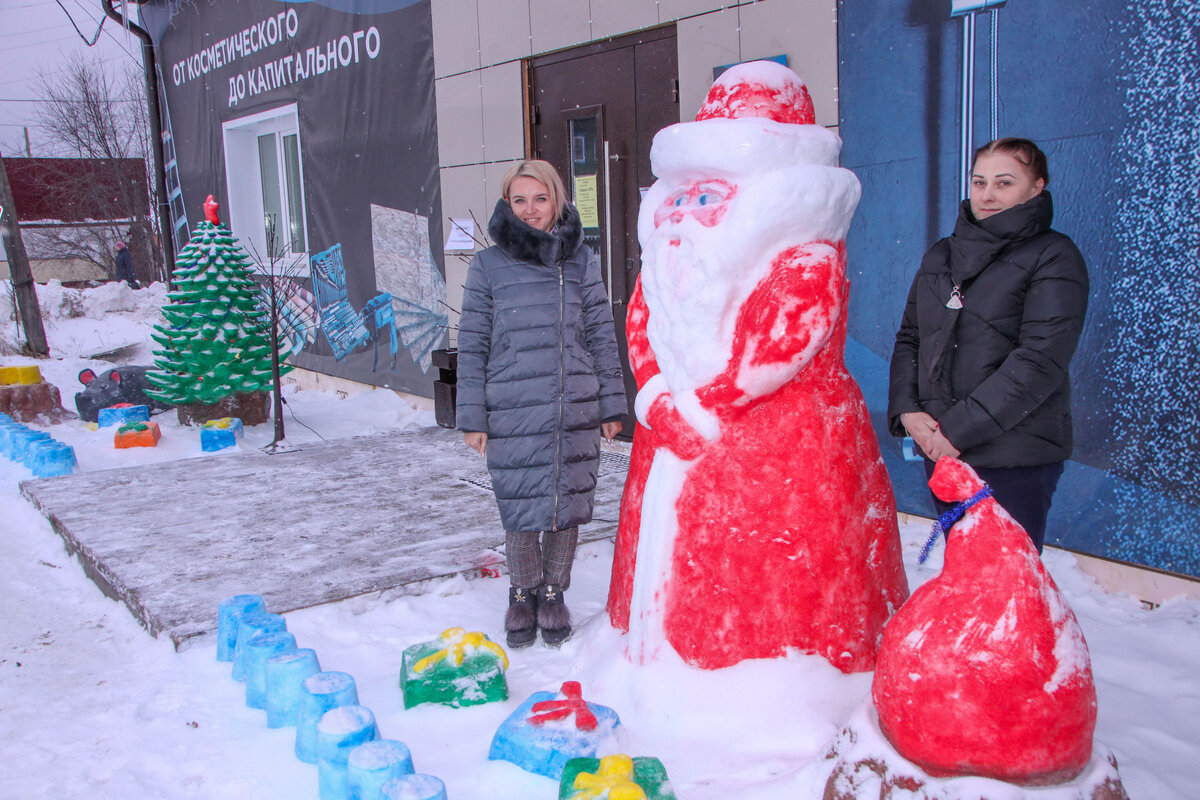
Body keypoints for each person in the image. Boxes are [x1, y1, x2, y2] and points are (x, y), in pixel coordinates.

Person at [888, 137, 1089, 552]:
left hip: (1013, 457)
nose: (987, 194)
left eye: (1004, 183)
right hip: (942, 450)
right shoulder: (941, 256)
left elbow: (1039, 361)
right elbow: (911, 337)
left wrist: (957, 431)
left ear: (1036, 187)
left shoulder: (1054, 256)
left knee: (1007, 587)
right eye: (979, 182)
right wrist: (908, 411)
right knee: (964, 579)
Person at [456, 159, 625, 649]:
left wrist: (612, 403)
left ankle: (553, 592)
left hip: (573, 403)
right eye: (519, 200)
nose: (530, 211)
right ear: (507, 205)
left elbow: (599, 333)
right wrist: (473, 416)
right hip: (511, 405)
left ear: (557, 201)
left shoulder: (580, 261)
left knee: (565, 505)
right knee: (521, 507)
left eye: (540, 199)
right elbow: (472, 343)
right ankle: (522, 592)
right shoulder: (488, 265)